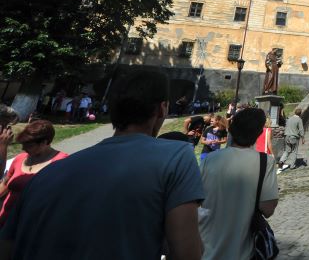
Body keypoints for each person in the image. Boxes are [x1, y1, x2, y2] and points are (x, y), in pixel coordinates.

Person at [0, 70, 204, 260]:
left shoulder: (47, 174)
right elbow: (187, 254)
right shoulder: (177, 157)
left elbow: (7, 247)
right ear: (162, 108)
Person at [199, 107, 278, 260]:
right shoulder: (265, 161)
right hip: (241, 250)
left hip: (207, 247)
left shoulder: (209, 159)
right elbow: (267, 208)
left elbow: (197, 200)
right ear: (258, 133)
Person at [0, 121, 68, 227]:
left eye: (29, 145)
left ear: (44, 143)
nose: (23, 149)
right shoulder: (20, 158)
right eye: (23, 144)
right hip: (6, 218)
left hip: (30, 224)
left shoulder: (62, 163)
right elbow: (5, 185)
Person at [278, 107, 304, 172]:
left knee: (287, 151)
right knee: (294, 151)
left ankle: (281, 161)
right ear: (300, 114)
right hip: (294, 137)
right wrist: (303, 138)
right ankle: (292, 165)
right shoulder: (299, 120)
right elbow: (301, 129)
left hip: (287, 136)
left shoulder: (289, 119)